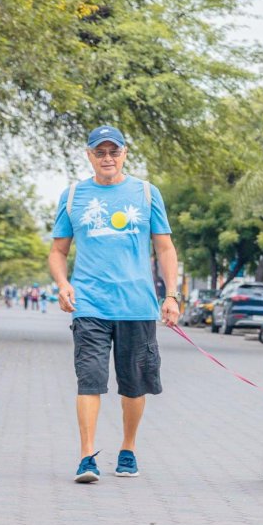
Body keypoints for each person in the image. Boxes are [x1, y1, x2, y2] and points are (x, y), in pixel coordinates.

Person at [49, 125, 179, 483]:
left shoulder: (147, 193)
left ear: (124, 153)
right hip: (89, 304)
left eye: (114, 151)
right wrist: (63, 284)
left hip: (137, 304)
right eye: (100, 152)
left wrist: (170, 295)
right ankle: (87, 457)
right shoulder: (73, 195)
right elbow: (58, 252)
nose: (107, 158)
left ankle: (128, 449)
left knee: (134, 385)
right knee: (89, 380)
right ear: (89, 155)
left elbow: (165, 247)